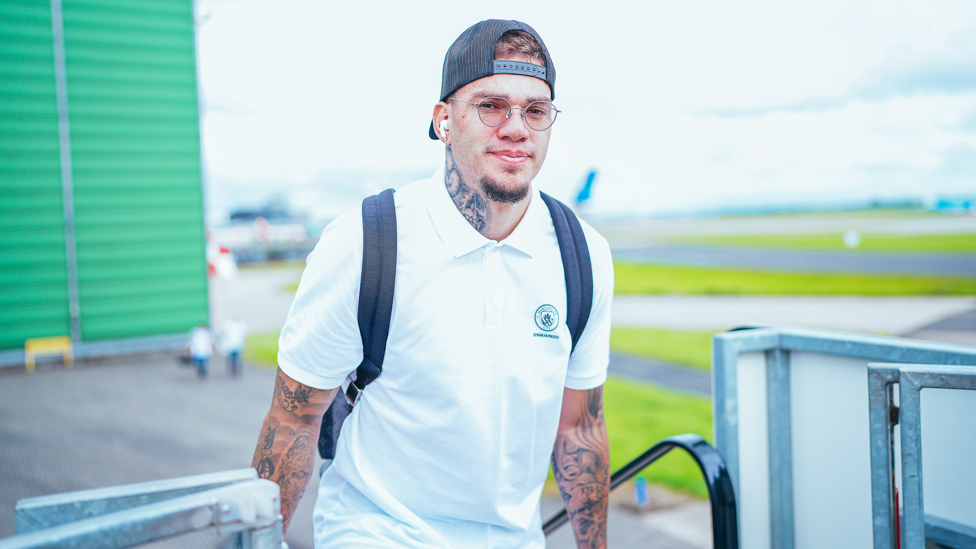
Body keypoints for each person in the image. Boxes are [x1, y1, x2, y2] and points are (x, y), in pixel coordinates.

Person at [250, 20, 614, 549]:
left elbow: (578, 430)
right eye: (490, 105)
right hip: (377, 532)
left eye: (536, 110)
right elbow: (294, 420)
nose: (516, 127)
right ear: (443, 119)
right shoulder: (365, 243)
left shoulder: (584, 255)